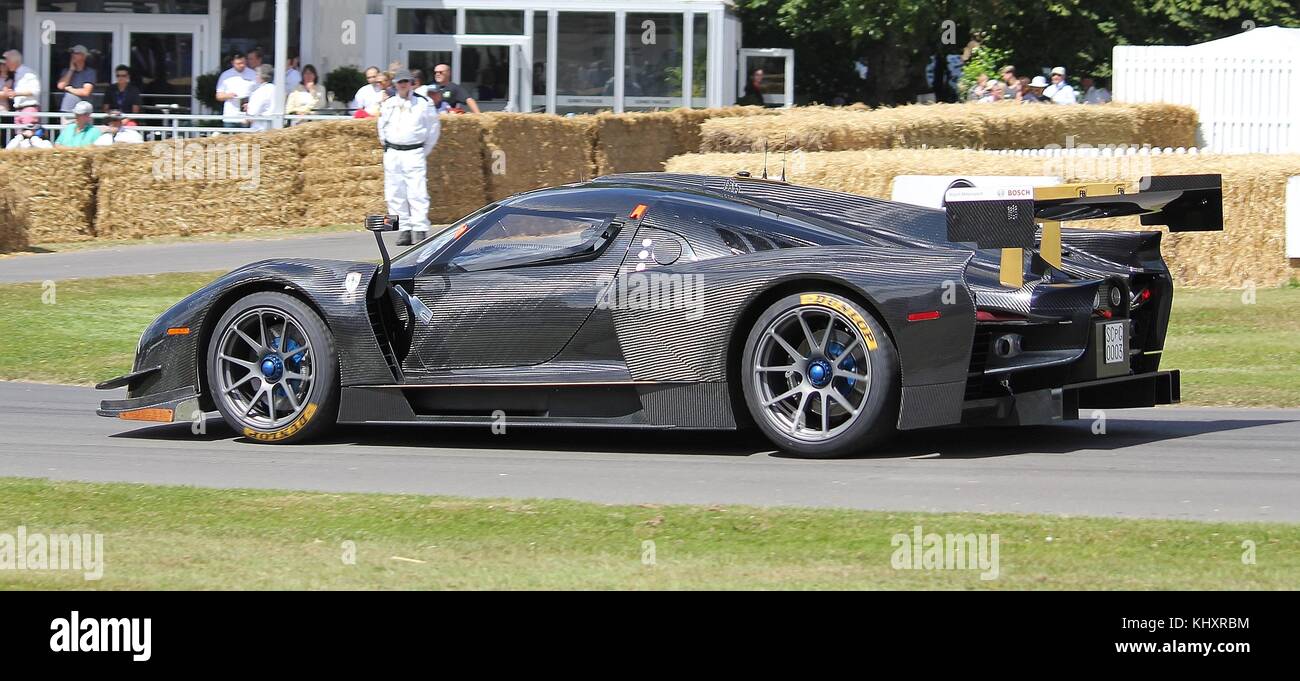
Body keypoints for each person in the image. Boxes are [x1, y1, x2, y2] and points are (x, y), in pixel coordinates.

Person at [378, 69, 440, 246]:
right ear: (395, 84)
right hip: (393, 152)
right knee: (395, 192)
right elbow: (381, 128)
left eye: (406, 81)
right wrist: (389, 147)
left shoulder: (424, 103)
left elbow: (433, 130)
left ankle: (420, 229)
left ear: (412, 83)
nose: (403, 84)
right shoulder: (389, 104)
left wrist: (422, 150)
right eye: (400, 82)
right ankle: (404, 229)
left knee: (417, 191)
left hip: (414, 152)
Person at [216, 52, 255, 128]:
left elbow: (259, 93)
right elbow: (218, 96)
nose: (242, 65)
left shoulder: (253, 74)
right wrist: (228, 95)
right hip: (230, 116)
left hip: (247, 116)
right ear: (232, 63)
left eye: (243, 63)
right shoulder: (226, 75)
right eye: (238, 63)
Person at [2, 50, 40, 125]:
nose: (6, 64)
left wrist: (16, 93)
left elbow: (35, 91)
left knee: (28, 134)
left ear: (13, 61)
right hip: (18, 110)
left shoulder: (27, 73)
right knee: (19, 135)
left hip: (28, 109)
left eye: (7, 61)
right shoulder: (16, 74)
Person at [56, 45, 96, 113]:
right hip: (67, 109)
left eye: (76, 53)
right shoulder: (66, 71)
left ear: (84, 56)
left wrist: (69, 89)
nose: (73, 55)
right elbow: (61, 86)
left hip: (84, 111)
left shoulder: (90, 72)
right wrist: (71, 70)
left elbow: (86, 92)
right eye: (72, 53)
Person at [245, 64, 275, 131]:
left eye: (256, 74)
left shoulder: (260, 91)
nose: (255, 77)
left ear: (261, 76)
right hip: (275, 128)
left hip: (260, 128)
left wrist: (248, 108)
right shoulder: (277, 89)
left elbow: (252, 113)